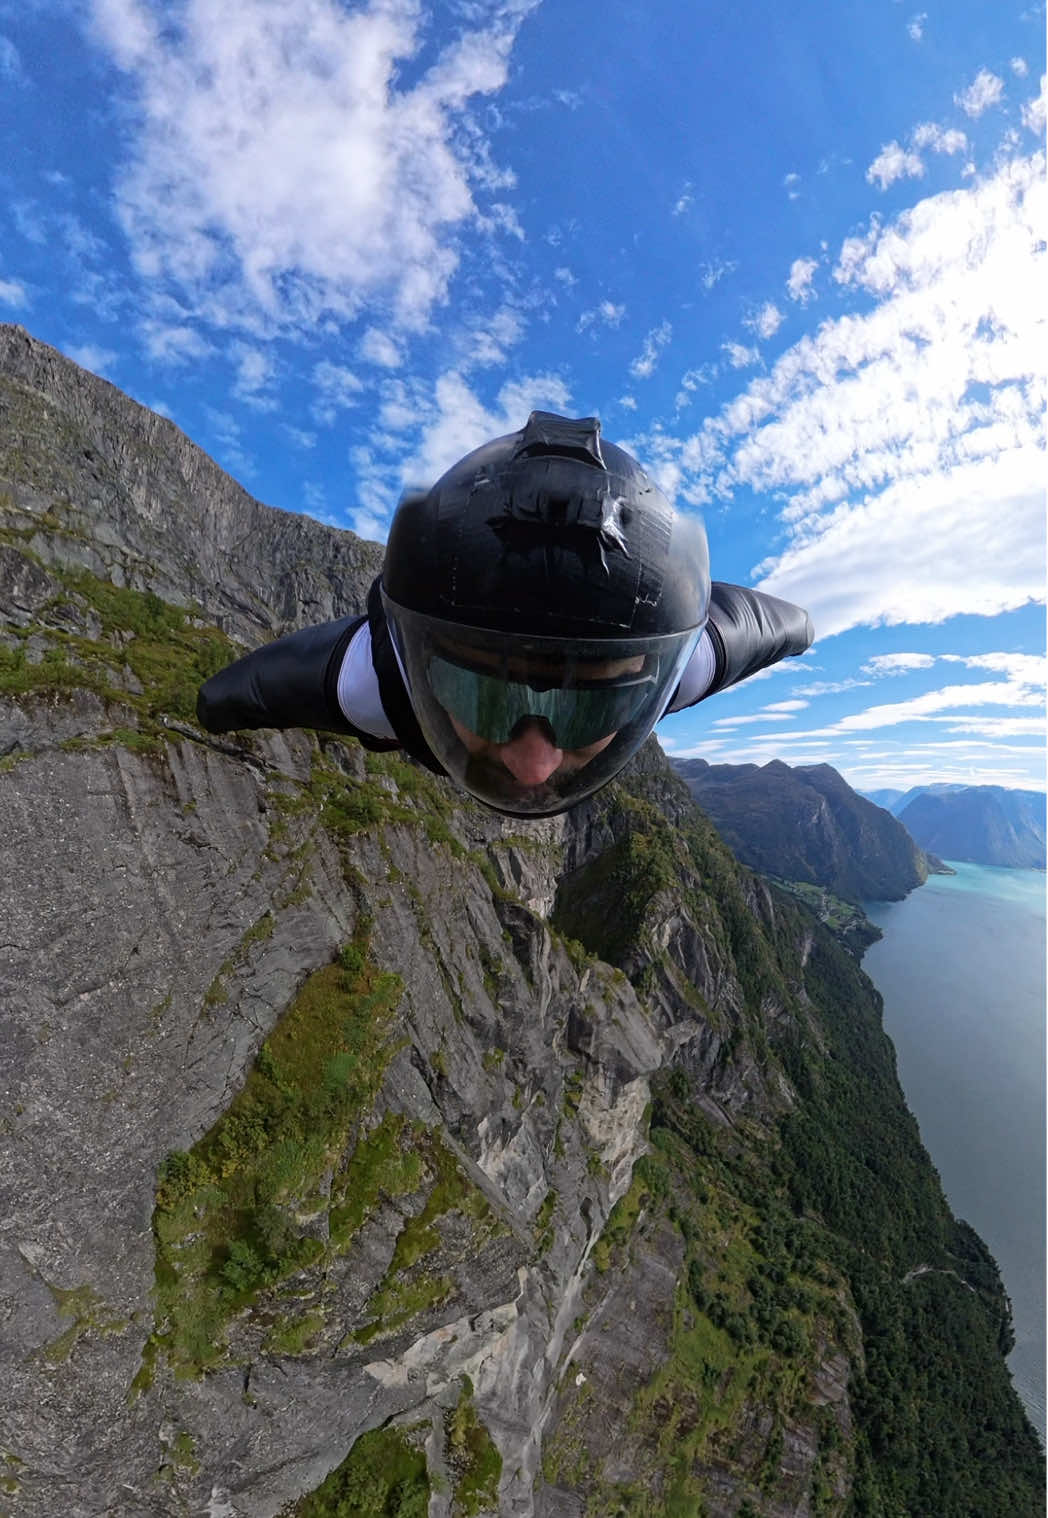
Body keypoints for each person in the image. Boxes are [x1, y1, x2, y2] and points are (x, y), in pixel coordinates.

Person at [197, 412, 813, 818]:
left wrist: (212, 706)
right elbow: (766, 626)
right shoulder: (378, 680)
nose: (533, 764)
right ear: (419, 667)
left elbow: (249, 689)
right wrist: (804, 628)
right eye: (475, 688)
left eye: (590, 703)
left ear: (652, 680)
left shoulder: (368, 688)